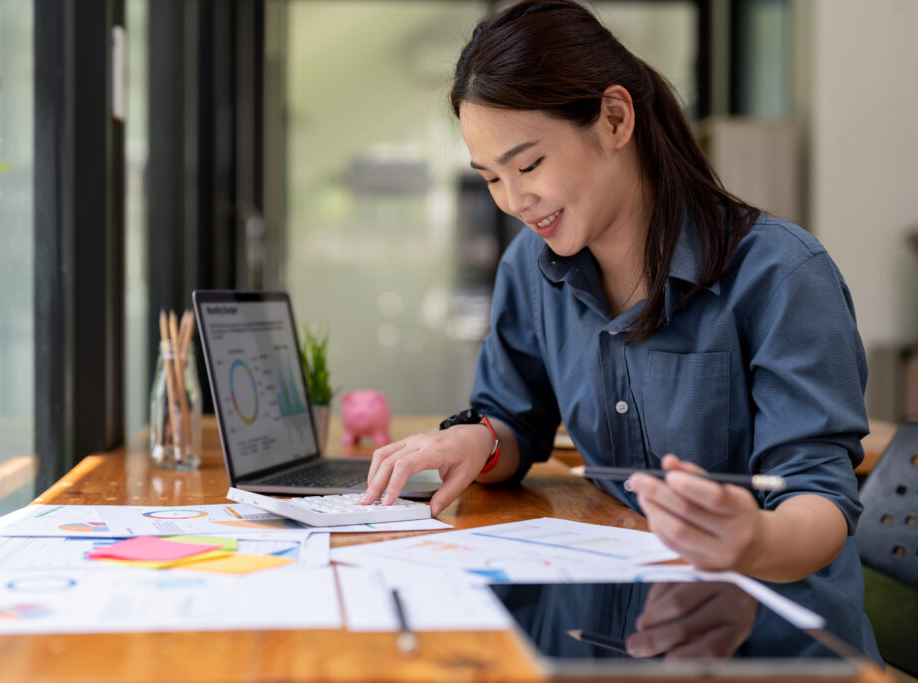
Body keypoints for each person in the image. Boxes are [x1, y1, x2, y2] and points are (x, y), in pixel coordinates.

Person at [358, 0, 881, 662]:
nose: (514, 201)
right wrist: (473, 440)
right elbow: (515, 422)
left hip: (772, 646)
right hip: (613, 627)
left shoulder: (781, 273)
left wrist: (750, 539)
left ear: (614, 118)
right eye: (490, 177)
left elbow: (820, 500)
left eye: (528, 165)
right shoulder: (531, 264)